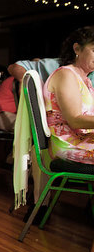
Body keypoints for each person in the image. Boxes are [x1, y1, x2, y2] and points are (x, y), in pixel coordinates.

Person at [42, 26, 94, 165]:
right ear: (77, 49)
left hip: (84, 140)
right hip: (69, 144)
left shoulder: (86, 79)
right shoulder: (66, 74)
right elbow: (75, 120)